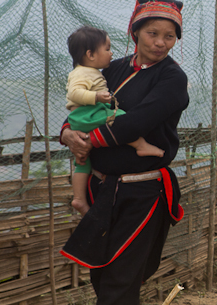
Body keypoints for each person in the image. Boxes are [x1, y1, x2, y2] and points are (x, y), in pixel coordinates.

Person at [59, 0, 189, 305]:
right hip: (103, 187)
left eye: (169, 36)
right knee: (103, 270)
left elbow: (136, 123)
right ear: (135, 32)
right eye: (152, 33)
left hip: (144, 189)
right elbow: (83, 110)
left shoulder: (172, 79)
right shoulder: (110, 70)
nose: (160, 43)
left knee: (121, 269)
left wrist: (90, 140)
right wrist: (68, 133)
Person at [65, 26, 164, 216]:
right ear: (91, 54)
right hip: (87, 114)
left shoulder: (170, 75)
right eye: (108, 49)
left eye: (169, 36)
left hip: (83, 117)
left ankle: (78, 198)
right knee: (119, 117)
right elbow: (74, 94)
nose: (111, 53)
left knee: (82, 162)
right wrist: (96, 98)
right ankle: (140, 144)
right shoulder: (84, 73)